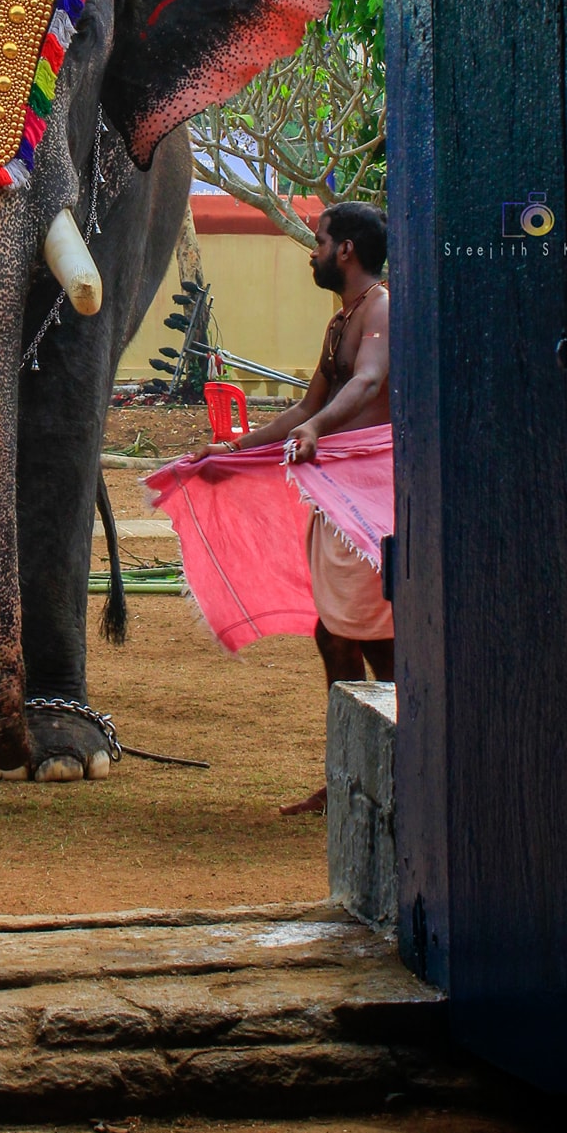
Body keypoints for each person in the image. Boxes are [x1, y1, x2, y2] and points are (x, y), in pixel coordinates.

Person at [191, 203, 392, 816]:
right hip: (342, 497)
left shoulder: (381, 308)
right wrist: (236, 449)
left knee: (379, 643)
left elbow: (368, 382)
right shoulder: (342, 321)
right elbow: (304, 409)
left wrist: (318, 433)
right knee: (334, 637)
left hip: (375, 499)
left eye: (319, 240)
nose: (312, 251)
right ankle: (352, 779)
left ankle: (388, 779)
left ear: (347, 251)